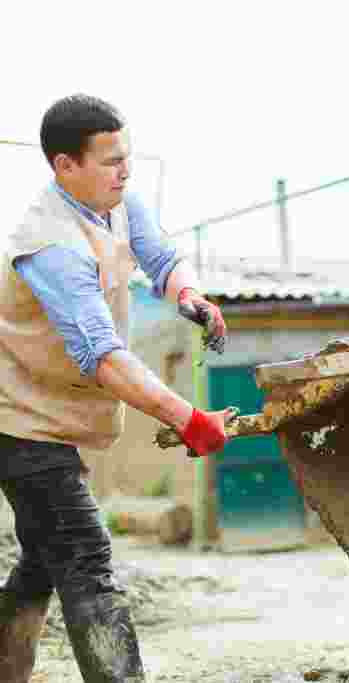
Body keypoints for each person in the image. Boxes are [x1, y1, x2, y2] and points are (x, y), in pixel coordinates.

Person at [0, 94, 233, 682]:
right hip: (15, 420)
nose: (124, 172)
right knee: (85, 554)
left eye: (126, 157)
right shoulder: (51, 245)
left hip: (52, 416)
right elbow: (103, 358)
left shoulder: (117, 203)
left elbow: (162, 258)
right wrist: (189, 418)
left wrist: (189, 295)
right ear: (64, 166)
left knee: (44, 560)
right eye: (109, 162)